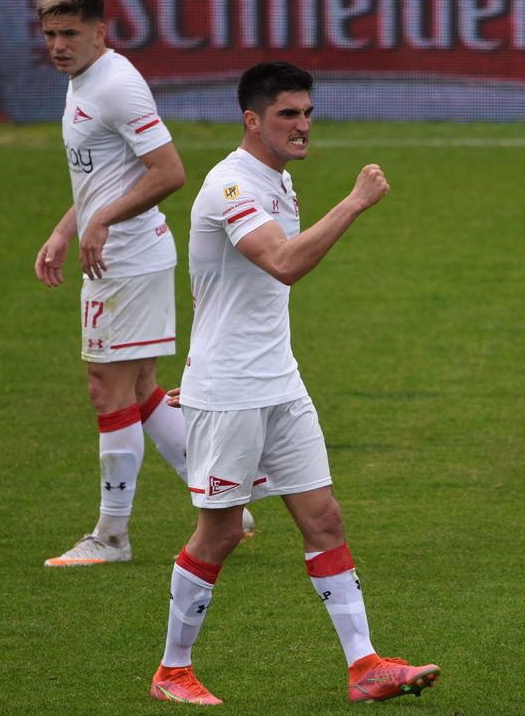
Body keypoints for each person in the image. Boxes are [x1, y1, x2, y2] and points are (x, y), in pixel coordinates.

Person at [148, 61, 440, 706]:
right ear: (252, 119)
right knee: (219, 534)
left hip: (280, 384)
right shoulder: (231, 186)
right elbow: (283, 265)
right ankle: (172, 670)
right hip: (231, 393)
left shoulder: (276, 179)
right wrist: (356, 202)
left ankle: (364, 666)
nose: (303, 125)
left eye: (307, 112)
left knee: (324, 520)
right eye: (288, 114)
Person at [32, 0, 253, 567]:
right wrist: (66, 228)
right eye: (50, 33)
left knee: (108, 390)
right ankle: (229, 503)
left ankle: (111, 536)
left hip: (125, 261)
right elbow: (105, 177)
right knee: (141, 387)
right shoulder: (84, 78)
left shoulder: (115, 86)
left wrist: (100, 222)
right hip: (124, 255)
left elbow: (168, 172)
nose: (57, 45)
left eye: (70, 33)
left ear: (101, 31)